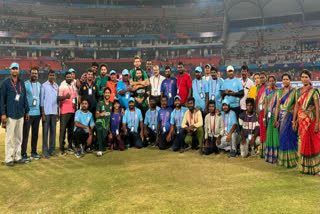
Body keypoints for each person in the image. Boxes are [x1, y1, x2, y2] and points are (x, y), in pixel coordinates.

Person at [1, 62, 30, 167]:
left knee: (19, 137)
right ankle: (8, 159)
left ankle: (17, 157)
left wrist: (27, 111)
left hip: (20, 114)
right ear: (10, 70)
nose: (14, 70)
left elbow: (24, 98)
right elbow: (1, 100)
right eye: (13, 69)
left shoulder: (22, 83)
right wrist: (3, 114)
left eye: (16, 69)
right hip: (10, 114)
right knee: (9, 138)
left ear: (19, 70)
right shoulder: (5, 83)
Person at [292, 70, 320, 175]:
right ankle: (305, 167)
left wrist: (317, 123)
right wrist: (294, 120)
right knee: (303, 143)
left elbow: (317, 108)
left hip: (311, 120)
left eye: (306, 77)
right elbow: (296, 106)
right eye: (302, 77)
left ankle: (316, 168)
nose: (304, 79)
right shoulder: (297, 92)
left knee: (313, 143)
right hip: (301, 121)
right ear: (300, 78)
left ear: (310, 79)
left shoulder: (314, 91)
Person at [273, 73, 298, 168]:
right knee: (282, 138)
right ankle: (283, 161)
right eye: (283, 79)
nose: (285, 81)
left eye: (287, 79)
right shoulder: (279, 92)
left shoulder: (294, 91)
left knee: (291, 138)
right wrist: (276, 120)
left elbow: (296, 105)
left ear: (290, 80)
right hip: (281, 118)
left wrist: (294, 120)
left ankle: (293, 161)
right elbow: (277, 106)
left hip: (290, 117)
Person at [21, 67, 41, 162]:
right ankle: (23, 153)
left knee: (35, 134)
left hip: (37, 113)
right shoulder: (25, 84)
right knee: (25, 135)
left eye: (36, 73)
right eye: (33, 73)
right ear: (30, 74)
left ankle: (34, 152)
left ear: (38, 74)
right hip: (28, 113)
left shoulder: (39, 85)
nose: (34, 75)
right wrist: (26, 112)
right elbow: (23, 99)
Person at [41, 70, 59, 158]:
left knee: (53, 132)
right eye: (50, 75)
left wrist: (58, 112)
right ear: (48, 75)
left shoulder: (56, 86)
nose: (52, 76)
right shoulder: (44, 86)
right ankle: (45, 152)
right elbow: (41, 101)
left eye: (53, 75)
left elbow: (57, 101)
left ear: (54, 76)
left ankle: (52, 150)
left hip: (54, 112)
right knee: (45, 133)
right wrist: (43, 114)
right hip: (47, 113)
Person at [58, 71, 77, 155]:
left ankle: (70, 147)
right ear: (65, 77)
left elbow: (75, 97)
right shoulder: (62, 86)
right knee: (63, 131)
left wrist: (76, 106)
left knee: (71, 130)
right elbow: (58, 98)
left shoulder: (73, 86)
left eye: (70, 76)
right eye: (68, 77)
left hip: (72, 111)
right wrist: (65, 97)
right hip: (64, 111)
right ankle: (61, 149)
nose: (69, 78)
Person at [263, 75, 279, 164]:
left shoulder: (278, 91)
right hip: (269, 116)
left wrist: (276, 118)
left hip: (275, 115)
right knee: (269, 134)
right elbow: (265, 104)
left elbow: (278, 105)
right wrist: (264, 117)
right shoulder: (266, 91)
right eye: (270, 81)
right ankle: (269, 157)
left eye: (273, 80)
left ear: (275, 82)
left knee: (275, 135)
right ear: (268, 82)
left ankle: (276, 157)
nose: (271, 82)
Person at [95, 87, 113, 157]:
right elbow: (96, 115)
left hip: (106, 125)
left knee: (104, 147)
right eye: (106, 93)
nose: (107, 94)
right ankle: (99, 151)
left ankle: (101, 146)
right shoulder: (100, 103)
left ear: (110, 94)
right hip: (99, 122)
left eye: (108, 93)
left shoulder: (111, 104)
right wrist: (100, 114)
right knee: (99, 130)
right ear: (103, 94)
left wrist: (122, 109)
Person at [256, 72, 268, 157]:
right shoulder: (259, 89)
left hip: (267, 112)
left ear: (266, 78)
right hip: (260, 112)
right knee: (262, 131)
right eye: (261, 78)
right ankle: (263, 150)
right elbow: (257, 102)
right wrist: (257, 114)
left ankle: (268, 150)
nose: (262, 79)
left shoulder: (269, 88)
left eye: (263, 77)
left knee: (267, 131)